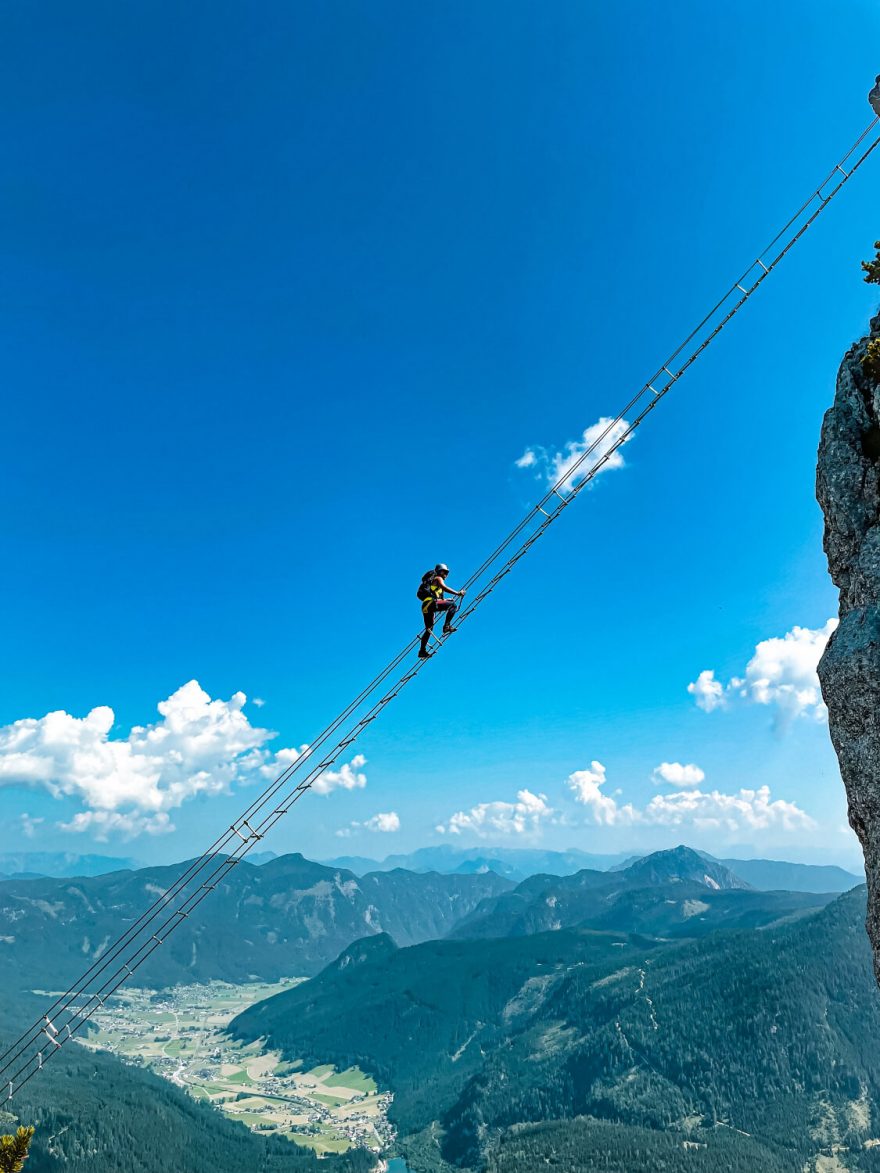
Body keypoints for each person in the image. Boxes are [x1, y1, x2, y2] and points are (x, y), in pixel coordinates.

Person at [418, 563, 466, 658]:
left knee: (429, 629)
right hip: (431, 604)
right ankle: (446, 626)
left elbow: (435, 597)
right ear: (441, 571)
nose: (446, 575)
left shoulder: (433, 582)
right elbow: (444, 587)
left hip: (426, 606)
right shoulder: (438, 578)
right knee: (453, 606)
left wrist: (445, 600)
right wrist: (458, 593)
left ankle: (422, 651)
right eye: (446, 572)